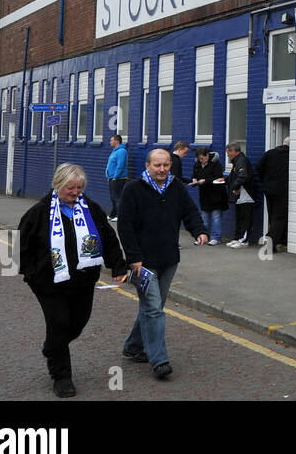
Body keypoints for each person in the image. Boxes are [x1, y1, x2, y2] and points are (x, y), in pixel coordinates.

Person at [18, 163, 128, 397]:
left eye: (79, 187)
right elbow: (24, 246)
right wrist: (31, 275)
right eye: (71, 187)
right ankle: (62, 376)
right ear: (58, 185)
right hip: (49, 283)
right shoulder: (39, 212)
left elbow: (108, 238)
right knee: (58, 323)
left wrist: (118, 265)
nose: (76, 192)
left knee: (78, 322)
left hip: (83, 281)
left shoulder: (91, 209)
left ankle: (52, 347)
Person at [117, 148, 207, 379]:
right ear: (147, 166)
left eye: (166, 165)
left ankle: (133, 346)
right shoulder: (133, 189)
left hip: (169, 259)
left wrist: (199, 231)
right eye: (157, 165)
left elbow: (190, 211)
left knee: (152, 307)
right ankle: (159, 360)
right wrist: (133, 258)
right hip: (143, 263)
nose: (162, 169)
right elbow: (125, 226)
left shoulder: (175, 186)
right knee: (154, 309)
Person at [257, 137, 290, 252]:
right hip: (282, 190)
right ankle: (270, 244)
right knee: (279, 217)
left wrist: (265, 181)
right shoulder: (290, 156)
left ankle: (280, 239)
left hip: (268, 189)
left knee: (272, 215)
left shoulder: (270, 153)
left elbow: (259, 167)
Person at [189, 146, 226, 245]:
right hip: (204, 194)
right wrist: (194, 179)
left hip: (216, 194)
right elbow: (194, 174)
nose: (202, 161)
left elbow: (219, 177)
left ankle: (216, 237)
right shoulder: (197, 164)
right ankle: (202, 237)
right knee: (204, 217)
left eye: (203, 158)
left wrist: (205, 180)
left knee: (216, 217)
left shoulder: (215, 164)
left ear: (208, 155)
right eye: (200, 159)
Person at [223, 142, 258, 248]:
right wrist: (224, 180)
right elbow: (234, 176)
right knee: (239, 216)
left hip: (246, 195)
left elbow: (243, 177)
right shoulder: (237, 161)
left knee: (245, 217)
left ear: (233, 151)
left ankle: (243, 240)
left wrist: (235, 188)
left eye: (228, 152)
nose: (227, 155)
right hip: (240, 195)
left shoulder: (242, 161)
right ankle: (237, 238)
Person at [105, 134, 128, 219]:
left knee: (117, 197)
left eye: (111, 140)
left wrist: (115, 176)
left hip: (118, 178)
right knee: (113, 197)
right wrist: (109, 176)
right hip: (112, 177)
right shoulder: (115, 151)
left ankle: (119, 215)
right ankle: (113, 214)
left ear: (116, 141)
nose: (110, 142)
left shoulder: (122, 151)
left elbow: (120, 165)